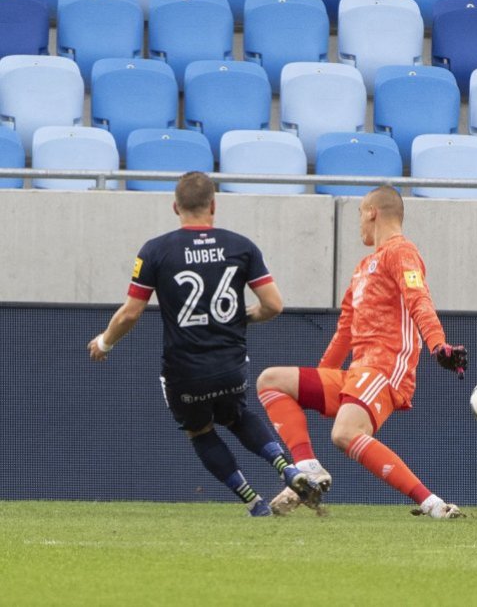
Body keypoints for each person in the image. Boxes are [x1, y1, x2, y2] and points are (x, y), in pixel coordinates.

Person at [87, 172, 324, 517]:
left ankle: (254, 503)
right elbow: (274, 305)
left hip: (184, 369)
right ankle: (288, 469)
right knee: (239, 416)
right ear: (214, 205)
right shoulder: (241, 246)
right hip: (230, 365)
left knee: (200, 430)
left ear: (175, 207)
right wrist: (240, 318)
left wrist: (104, 343)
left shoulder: (155, 250)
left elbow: (130, 313)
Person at [256, 185, 469, 519]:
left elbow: (419, 300)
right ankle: (307, 468)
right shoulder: (362, 267)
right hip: (358, 371)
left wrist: (438, 345)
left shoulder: (401, 252)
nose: (359, 224)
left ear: (372, 212)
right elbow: (345, 330)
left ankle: (433, 505)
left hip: (385, 367)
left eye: (359, 214)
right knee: (271, 381)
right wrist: (323, 376)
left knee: (344, 434)